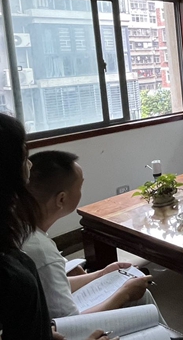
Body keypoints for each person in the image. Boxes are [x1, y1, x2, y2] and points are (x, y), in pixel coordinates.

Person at [0, 113, 114, 340]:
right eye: (24, 157)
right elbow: (69, 320)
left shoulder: (15, 235)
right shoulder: (22, 260)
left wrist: (100, 274)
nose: (30, 165)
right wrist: (124, 293)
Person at [22, 150, 158, 319]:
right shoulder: (42, 252)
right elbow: (72, 325)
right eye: (80, 186)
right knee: (139, 297)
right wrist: (124, 294)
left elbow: (53, 286)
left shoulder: (21, 228)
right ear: (61, 199)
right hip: (62, 327)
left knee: (139, 294)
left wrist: (101, 274)